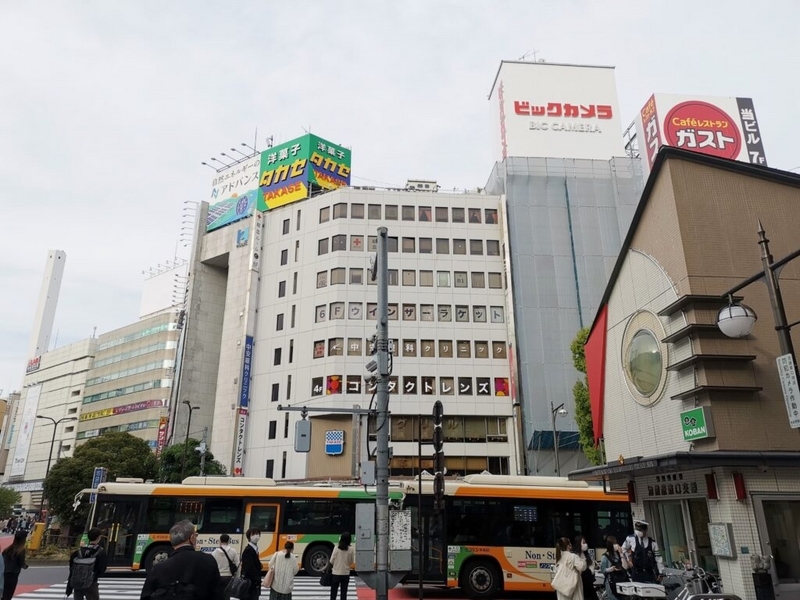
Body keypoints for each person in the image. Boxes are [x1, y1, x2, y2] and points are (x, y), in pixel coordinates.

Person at [140, 520, 222, 600]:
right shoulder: (208, 560)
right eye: (196, 535)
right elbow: (219, 594)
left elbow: (145, 596)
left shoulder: (159, 568)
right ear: (192, 538)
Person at [66, 527, 108, 600]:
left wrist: (69, 586)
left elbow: (71, 567)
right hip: (91, 583)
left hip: (77, 583)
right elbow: (102, 569)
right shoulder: (101, 552)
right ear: (99, 537)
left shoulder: (78, 551)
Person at [328, 531, 355, 600]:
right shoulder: (351, 549)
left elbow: (331, 561)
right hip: (345, 574)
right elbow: (351, 562)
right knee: (344, 593)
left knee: (333, 593)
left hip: (336, 573)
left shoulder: (336, 548)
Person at [2, 530, 28, 600]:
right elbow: (22, 564)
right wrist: (26, 566)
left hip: (4, 572)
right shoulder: (21, 550)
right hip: (13, 574)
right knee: (8, 594)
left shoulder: (7, 549)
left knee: (3, 593)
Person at [600, 536, 629, 600]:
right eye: (614, 544)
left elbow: (625, 567)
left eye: (616, 543)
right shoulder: (605, 556)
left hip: (622, 581)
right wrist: (611, 569)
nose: (616, 545)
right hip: (611, 583)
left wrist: (621, 554)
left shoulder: (619, 554)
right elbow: (603, 570)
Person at [240, 528, 263, 600]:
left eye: (257, 534)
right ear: (249, 537)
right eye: (253, 534)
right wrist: (257, 580)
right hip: (250, 584)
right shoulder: (248, 550)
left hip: (253, 584)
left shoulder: (254, 549)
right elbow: (249, 568)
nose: (256, 536)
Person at [574, 535, 597, 600]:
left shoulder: (586, 554)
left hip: (589, 583)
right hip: (582, 583)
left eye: (585, 542)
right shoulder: (575, 556)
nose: (585, 544)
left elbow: (590, 565)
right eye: (583, 543)